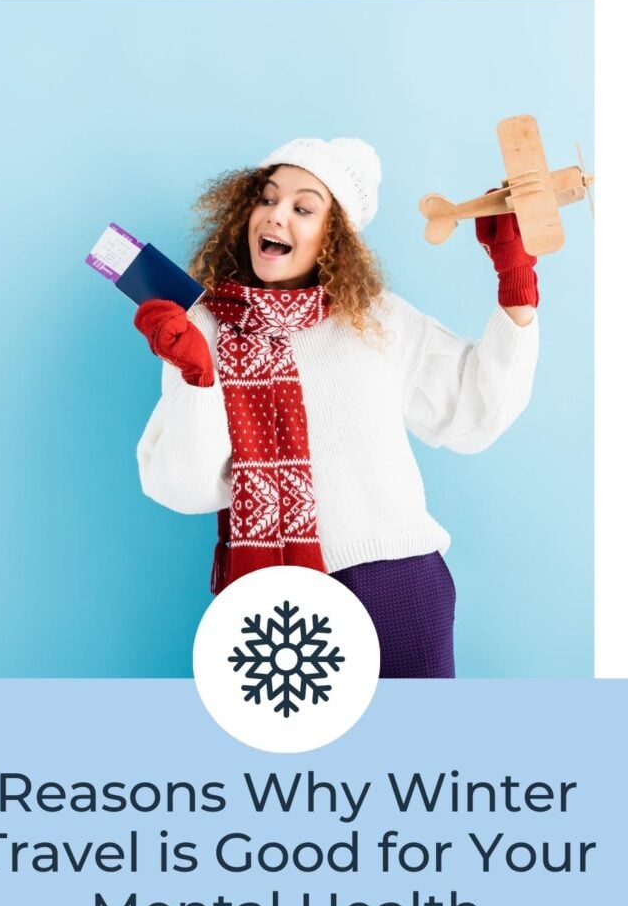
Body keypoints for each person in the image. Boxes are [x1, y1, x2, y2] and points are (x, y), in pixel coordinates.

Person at [135, 138, 539, 679]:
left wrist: (515, 285)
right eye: (267, 198)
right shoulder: (203, 325)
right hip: (273, 607)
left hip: (399, 586)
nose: (277, 215)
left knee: (424, 757)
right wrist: (198, 377)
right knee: (311, 768)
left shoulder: (376, 319)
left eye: (303, 207)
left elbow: (473, 413)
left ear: (334, 237)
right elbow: (182, 486)